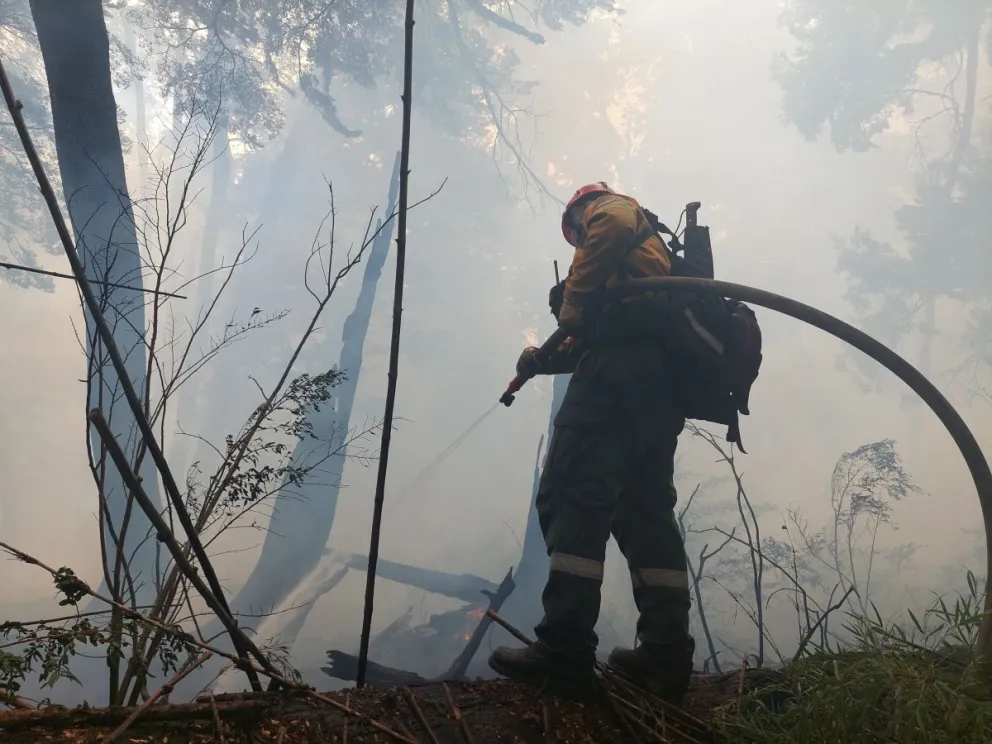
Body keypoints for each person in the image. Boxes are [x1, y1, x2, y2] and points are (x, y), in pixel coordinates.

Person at [487, 182, 696, 704]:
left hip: (614, 380)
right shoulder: (648, 270)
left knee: (571, 495)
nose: (579, 238)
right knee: (645, 515)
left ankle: (563, 653)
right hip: (657, 386)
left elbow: (612, 233)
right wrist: (540, 358)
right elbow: (595, 336)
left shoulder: (613, 210)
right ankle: (665, 658)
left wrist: (573, 306)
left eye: (575, 230)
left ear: (580, 210)